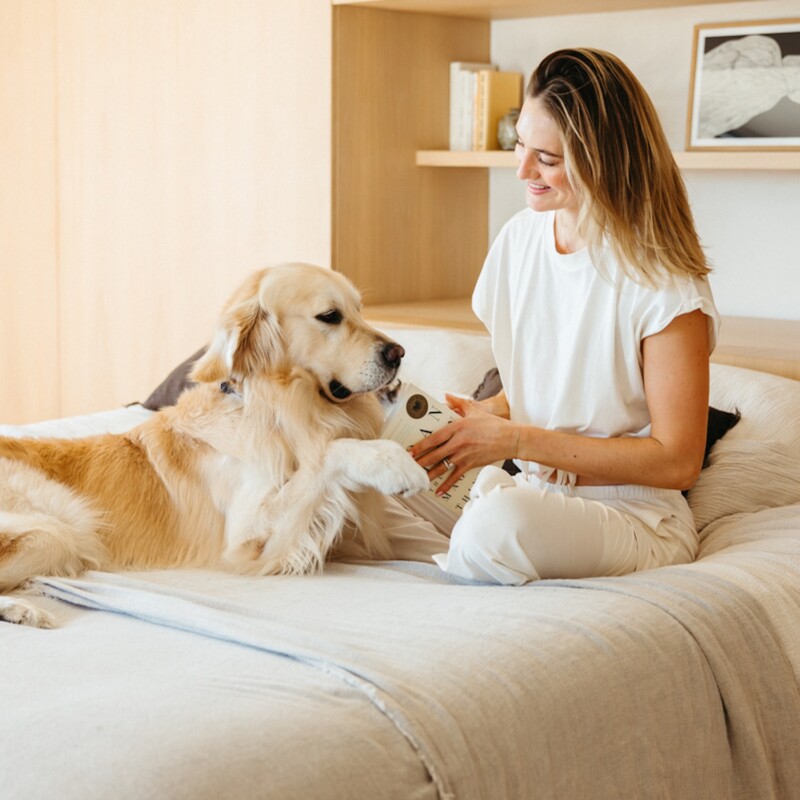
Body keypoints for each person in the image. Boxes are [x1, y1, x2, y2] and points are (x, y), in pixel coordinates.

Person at [407, 47, 720, 585]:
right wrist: (483, 418)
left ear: (603, 159)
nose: (523, 170)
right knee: (367, 484)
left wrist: (515, 441)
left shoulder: (664, 280)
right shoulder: (519, 240)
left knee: (497, 526)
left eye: (547, 159)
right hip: (534, 493)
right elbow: (550, 387)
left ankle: (476, 539)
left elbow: (677, 461)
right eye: (520, 145)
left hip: (633, 516)